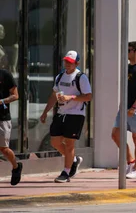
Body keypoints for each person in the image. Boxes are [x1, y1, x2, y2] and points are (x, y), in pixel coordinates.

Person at [40, 51, 92, 183]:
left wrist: (71, 97)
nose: (67, 64)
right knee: (55, 142)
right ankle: (74, 160)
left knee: (69, 144)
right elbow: (54, 95)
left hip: (76, 114)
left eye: (70, 62)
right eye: (66, 61)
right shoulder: (60, 76)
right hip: (62, 112)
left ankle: (66, 172)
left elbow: (88, 96)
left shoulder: (81, 77)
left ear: (76, 63)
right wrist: (45, 111)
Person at [111, 41, 136, 180]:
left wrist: (134, 107)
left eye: (129, 50)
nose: (127, 52)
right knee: (115, 134)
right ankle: (131, 160)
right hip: (124, 109)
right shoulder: (127, 67)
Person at [0, 68, 21, 186]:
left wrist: (2, 101)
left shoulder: (5, 75)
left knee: (4, 149)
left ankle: (16, 166)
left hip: (2, 118)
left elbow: (15, 95)